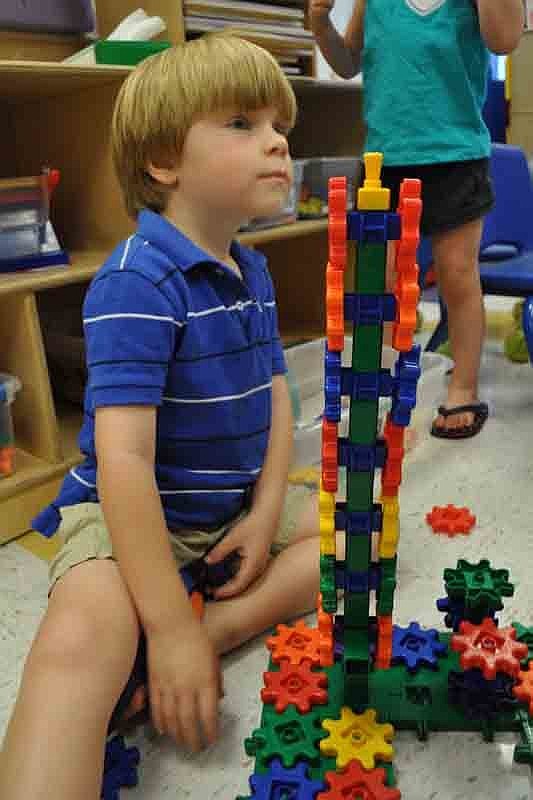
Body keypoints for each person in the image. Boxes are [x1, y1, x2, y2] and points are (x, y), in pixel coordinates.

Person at [0, 34, 322, 799]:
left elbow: (276, 391)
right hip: (131, 515)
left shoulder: (254, 263)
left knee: (362, 535)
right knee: (79, 644)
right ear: (163, 163)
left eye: (279, 124)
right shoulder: (135, 282)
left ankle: (212, 628)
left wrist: (265, 510)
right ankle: (165, 633)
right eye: (242, 123)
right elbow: (124, 466)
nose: (276, 140)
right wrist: (165, 629)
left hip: (230, 510)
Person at [310, 0, 524, 439]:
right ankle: (380, 385)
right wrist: (318, 22)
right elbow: (348, 62)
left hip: (456, 155)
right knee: (378, 279)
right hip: (384, 159)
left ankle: (462, 386)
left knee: (457, 274)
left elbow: (505, 39)